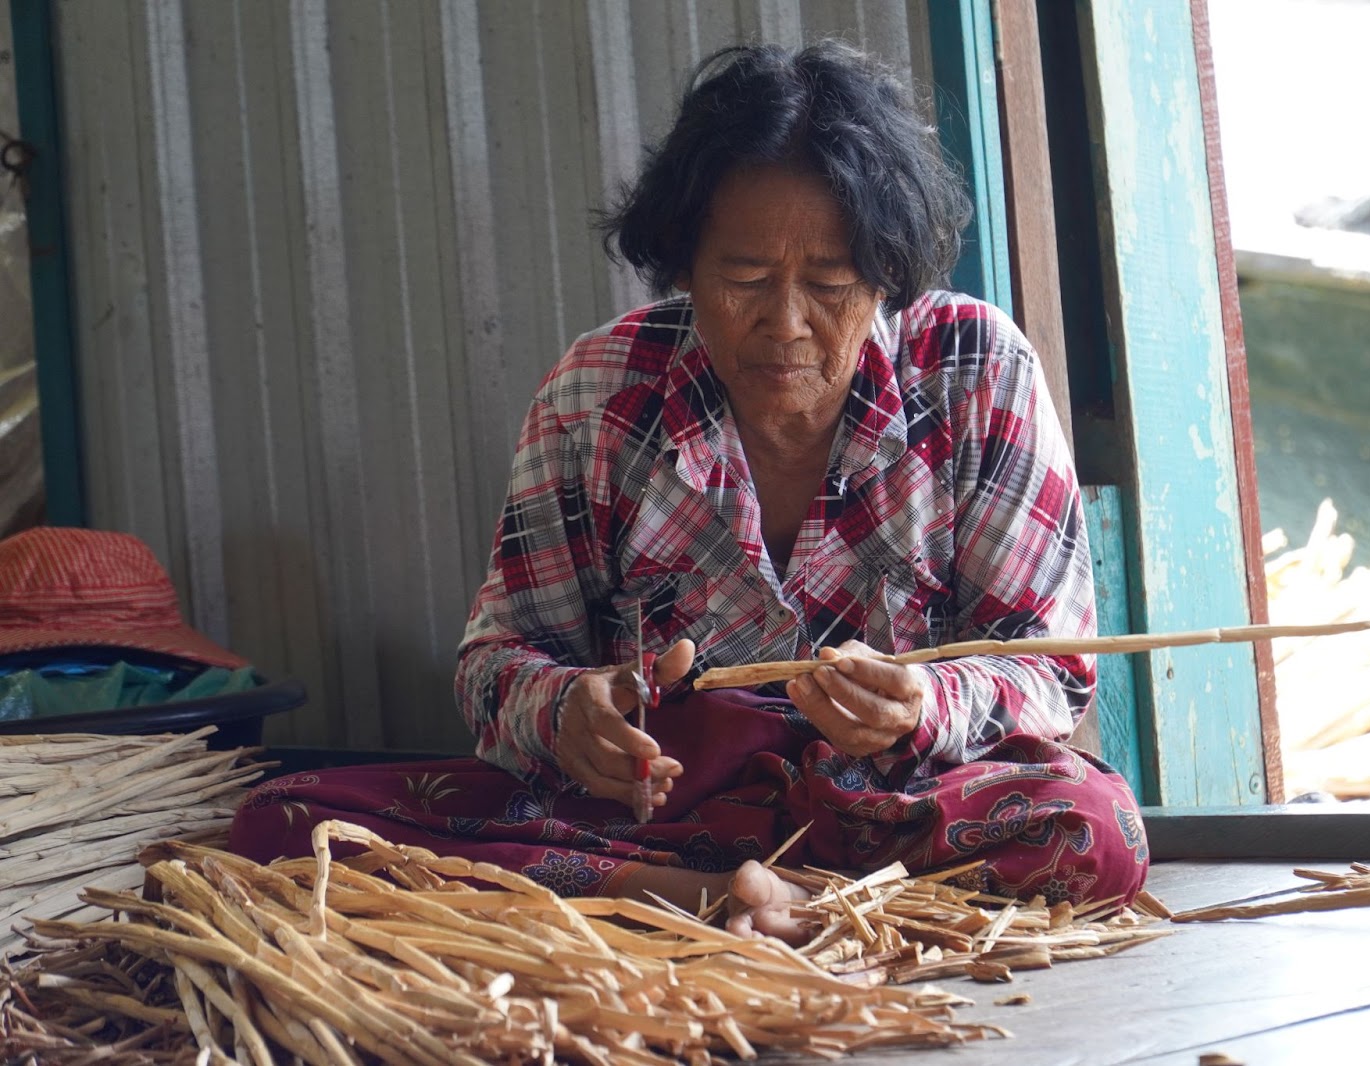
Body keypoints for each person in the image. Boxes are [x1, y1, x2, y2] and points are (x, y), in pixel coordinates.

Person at [231, 40, 1147, 942]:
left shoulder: (973, 369)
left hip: (898, 816)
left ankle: (741, 903)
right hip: (659, 817)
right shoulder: (599, 396)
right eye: (744, 278)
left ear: (887, 279)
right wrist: (566, 716)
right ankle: (712, 897)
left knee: (1096, 830)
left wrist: (920, 706)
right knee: (286, 821)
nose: (784, 324)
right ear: (683, 266)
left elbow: (1049, 664)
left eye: (829, 284)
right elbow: (495, 664)